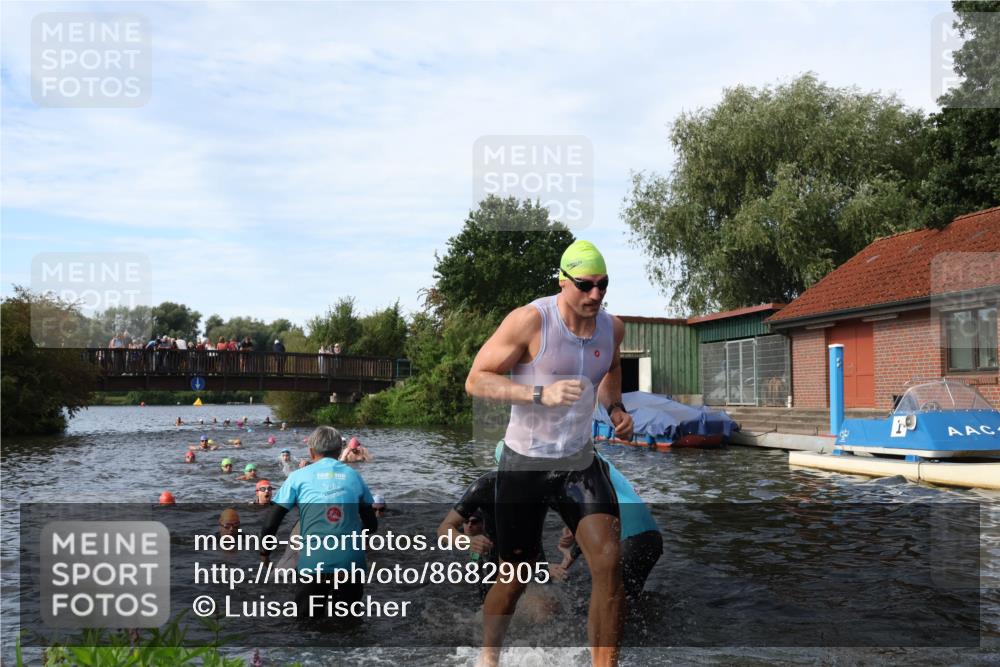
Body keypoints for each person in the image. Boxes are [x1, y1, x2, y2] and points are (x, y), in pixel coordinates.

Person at [464, 239, 634, 667]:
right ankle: (488, 657)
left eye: (603, 285)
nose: (595, 294)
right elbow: (477, 379)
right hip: (525, 462)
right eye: (585, 285)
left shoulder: (612, 328)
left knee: (609, 561)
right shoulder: (531, 321)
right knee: (515, 577)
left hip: (579, 460)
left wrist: (614, 407)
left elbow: (611, 367)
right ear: (563, 282)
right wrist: (539, 393)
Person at [260, 426, 378, 621]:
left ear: (311, 452)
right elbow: (371, 524)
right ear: (340, 451)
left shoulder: (297, 477)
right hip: (350, 564)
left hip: (313, 563)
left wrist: (265, 553)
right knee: (349, 625)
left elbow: (271, 522)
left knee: (306, 625)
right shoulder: (354, 476)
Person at [549, 453, 662, 608]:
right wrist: (566, 562)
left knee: (602, 613)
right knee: (629, 608)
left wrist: (541, 567)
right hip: (650, 537)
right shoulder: (586, 453)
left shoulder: (540, 461)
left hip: (625, 540)